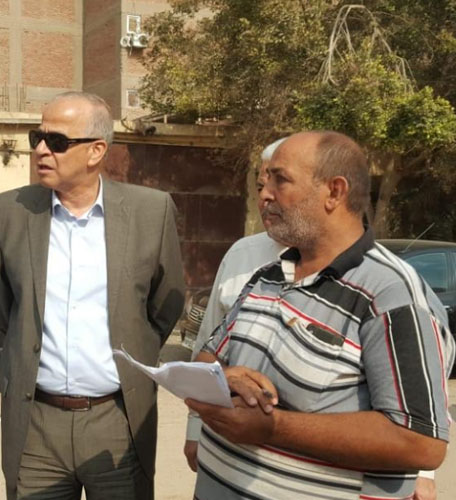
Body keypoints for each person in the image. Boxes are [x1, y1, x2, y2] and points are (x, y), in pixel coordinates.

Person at [187, 131, 454, 499]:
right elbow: (207, 357)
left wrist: (273, 428)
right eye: (263, 183)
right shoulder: (267, 276)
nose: (265, 195)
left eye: (280, 180)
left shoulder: (391, 294)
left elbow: (421, 442)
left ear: (334, 192)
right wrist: (225, 378)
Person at [0, 91, 186, 500]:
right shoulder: (8, 212)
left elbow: (165, 305)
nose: (41, 150)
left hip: (118, 420)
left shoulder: (151, 211)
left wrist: (132, 348)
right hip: (36, 425)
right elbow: (1, 310)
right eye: (37, 138)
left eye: (56, 141)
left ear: (96, 151)